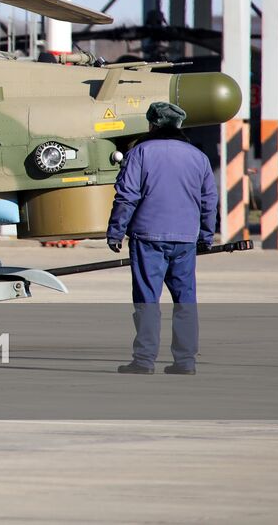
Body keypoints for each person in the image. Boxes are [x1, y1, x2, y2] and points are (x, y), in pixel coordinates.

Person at [106, 100, 217, 375]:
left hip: (148, 237)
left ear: (152, 124)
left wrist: (116, 231)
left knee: (147, 299)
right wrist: (206, 235)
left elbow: (127, 196)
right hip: (185, 239)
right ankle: (185, 361)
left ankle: (144, 360)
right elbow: (209, 200)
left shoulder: (140, 153)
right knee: (185, 300)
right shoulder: (197, 157)